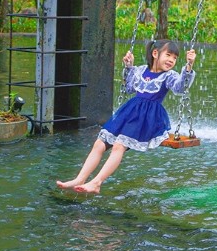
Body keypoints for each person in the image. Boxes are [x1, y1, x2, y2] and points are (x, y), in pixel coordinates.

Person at [56, 39, 196, 194]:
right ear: (155, 54)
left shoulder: (169, 76)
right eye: (168, 55)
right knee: (99, 143)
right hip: (130, 113)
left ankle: (97, 182)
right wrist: (128, 67)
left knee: (119, 145)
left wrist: (189, 65)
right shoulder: (140, 70)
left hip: (149, 118)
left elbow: (181, 88)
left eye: (175, 58)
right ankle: (80, 178)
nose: (171, 60)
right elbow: (129, 88)